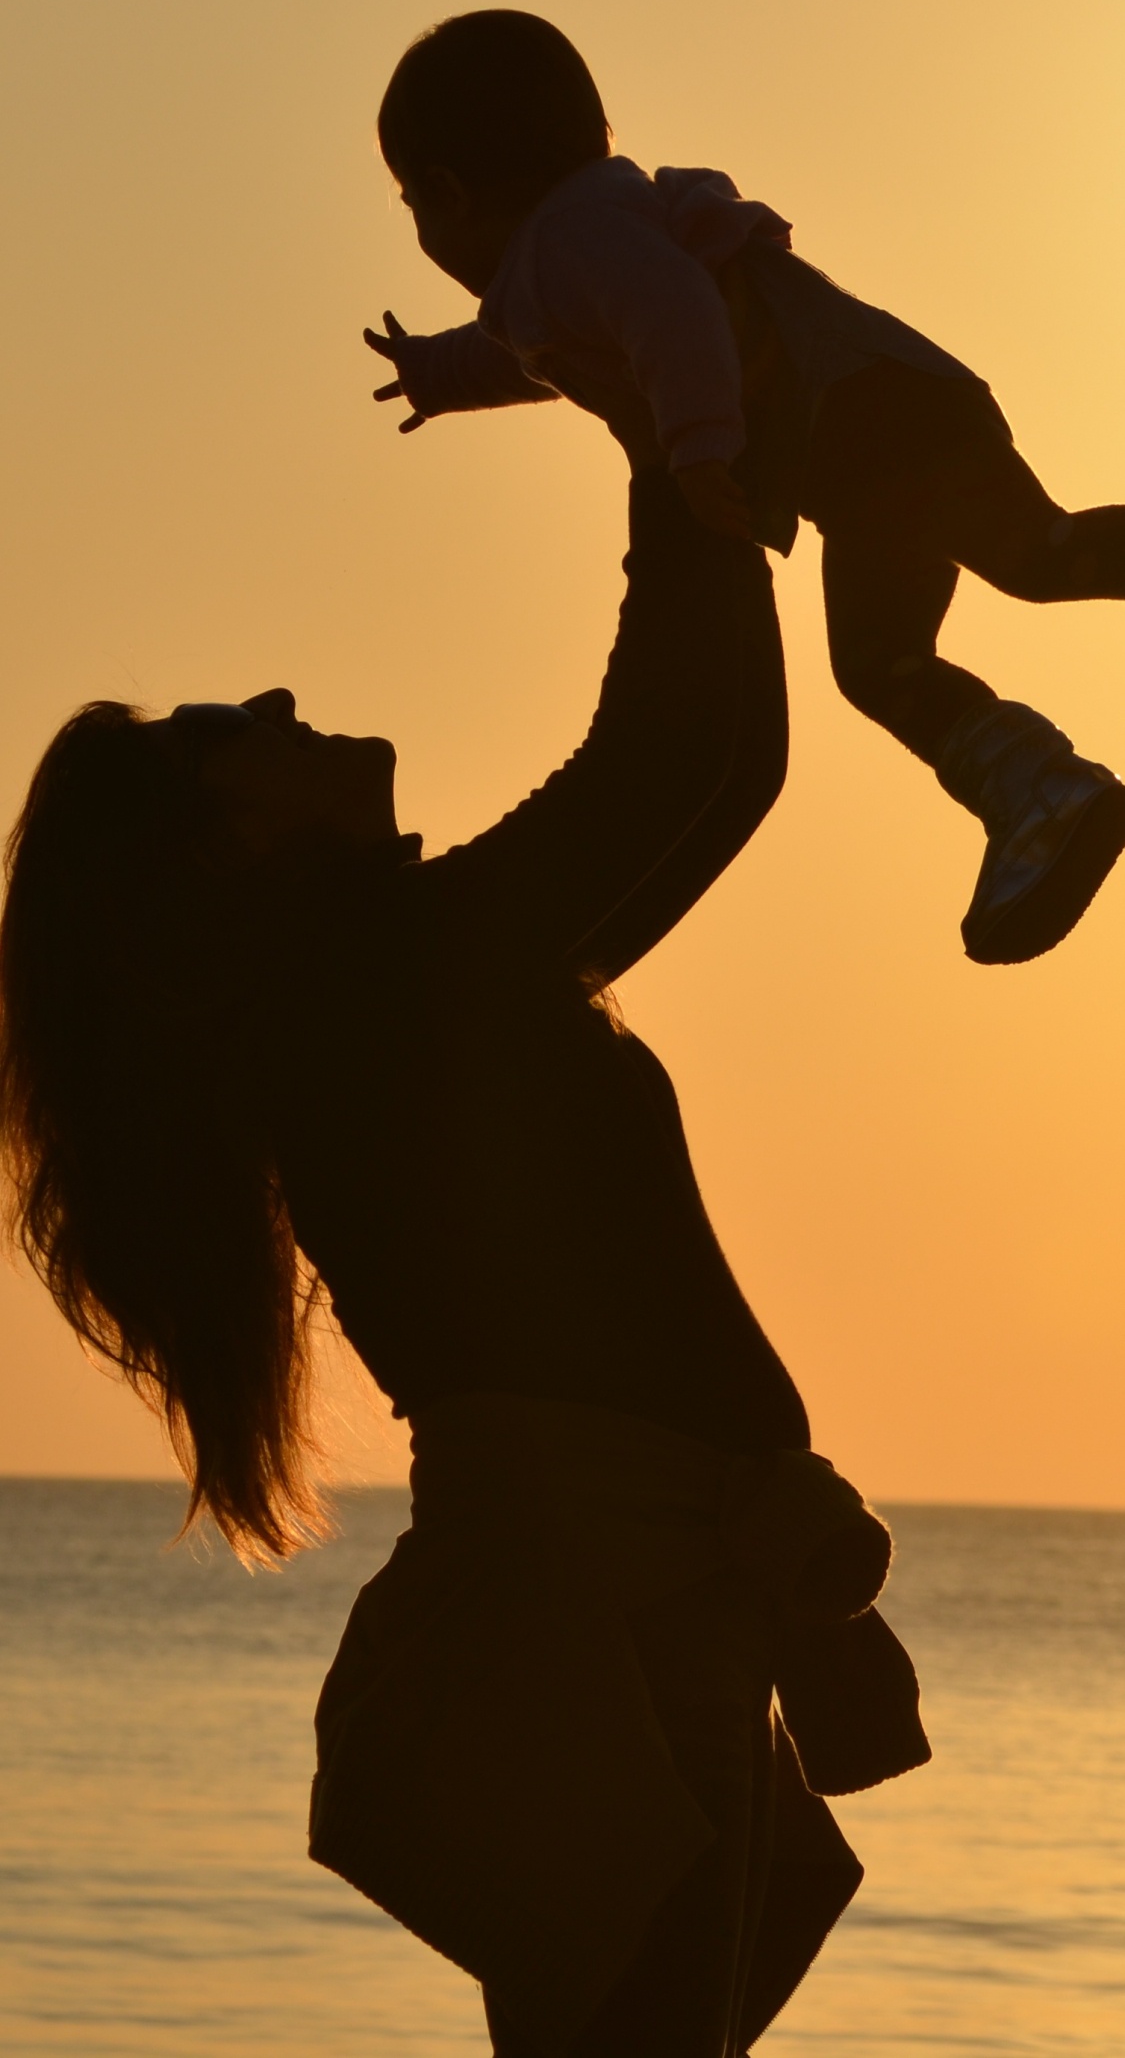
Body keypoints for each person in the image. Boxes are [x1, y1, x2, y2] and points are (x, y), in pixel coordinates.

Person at [0, 435, 928, 2056]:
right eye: (232, 732)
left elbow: (714, 775)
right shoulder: (386, 986)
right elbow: (682, 760)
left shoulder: (403, 988)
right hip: (600, 1626)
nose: (279, 699)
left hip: (630, 1612)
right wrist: (670, 435)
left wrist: (692, 464)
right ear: (225, 848)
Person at [369, 7, 1125, 969]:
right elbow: (541, 349)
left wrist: (696, 450)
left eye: (413, 204)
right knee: (925, 633)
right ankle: (1041, 793)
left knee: (1011, 573)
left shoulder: (571, 241)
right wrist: (436, 374)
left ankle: (1043, 791)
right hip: (865, 450)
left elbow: (672, 312)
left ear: (447, 191)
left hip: (871, 414)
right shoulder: (577, 247)